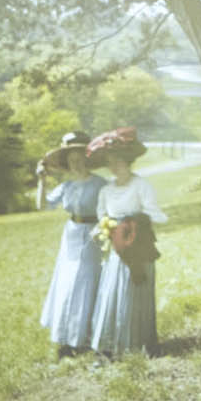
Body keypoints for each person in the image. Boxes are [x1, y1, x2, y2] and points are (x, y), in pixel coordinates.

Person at [86, 127, 166, 359]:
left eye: (118, 161)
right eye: (110, 162)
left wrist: (135, 223)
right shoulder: (106, 190)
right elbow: (102, 216)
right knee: (114, 290)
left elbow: (154, 213)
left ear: (128, 161)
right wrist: (105, 228)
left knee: (134, 289)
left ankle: (138, 343)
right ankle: (113, 345)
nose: (114, 166)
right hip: (117, 247)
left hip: (138, 243)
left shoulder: (141, 185)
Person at [35, 137, 106, 360]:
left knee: (85, 282)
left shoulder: (100, 184)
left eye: (79, 159)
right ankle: (65, 339)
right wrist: (42, 181)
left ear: (88, 160)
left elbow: (109, 211)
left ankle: (84, 339)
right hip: (71, 235)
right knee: (66, 283)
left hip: (93, 234)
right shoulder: (66, 186)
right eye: (71, 160)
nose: (76, 164)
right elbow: (42, 205)